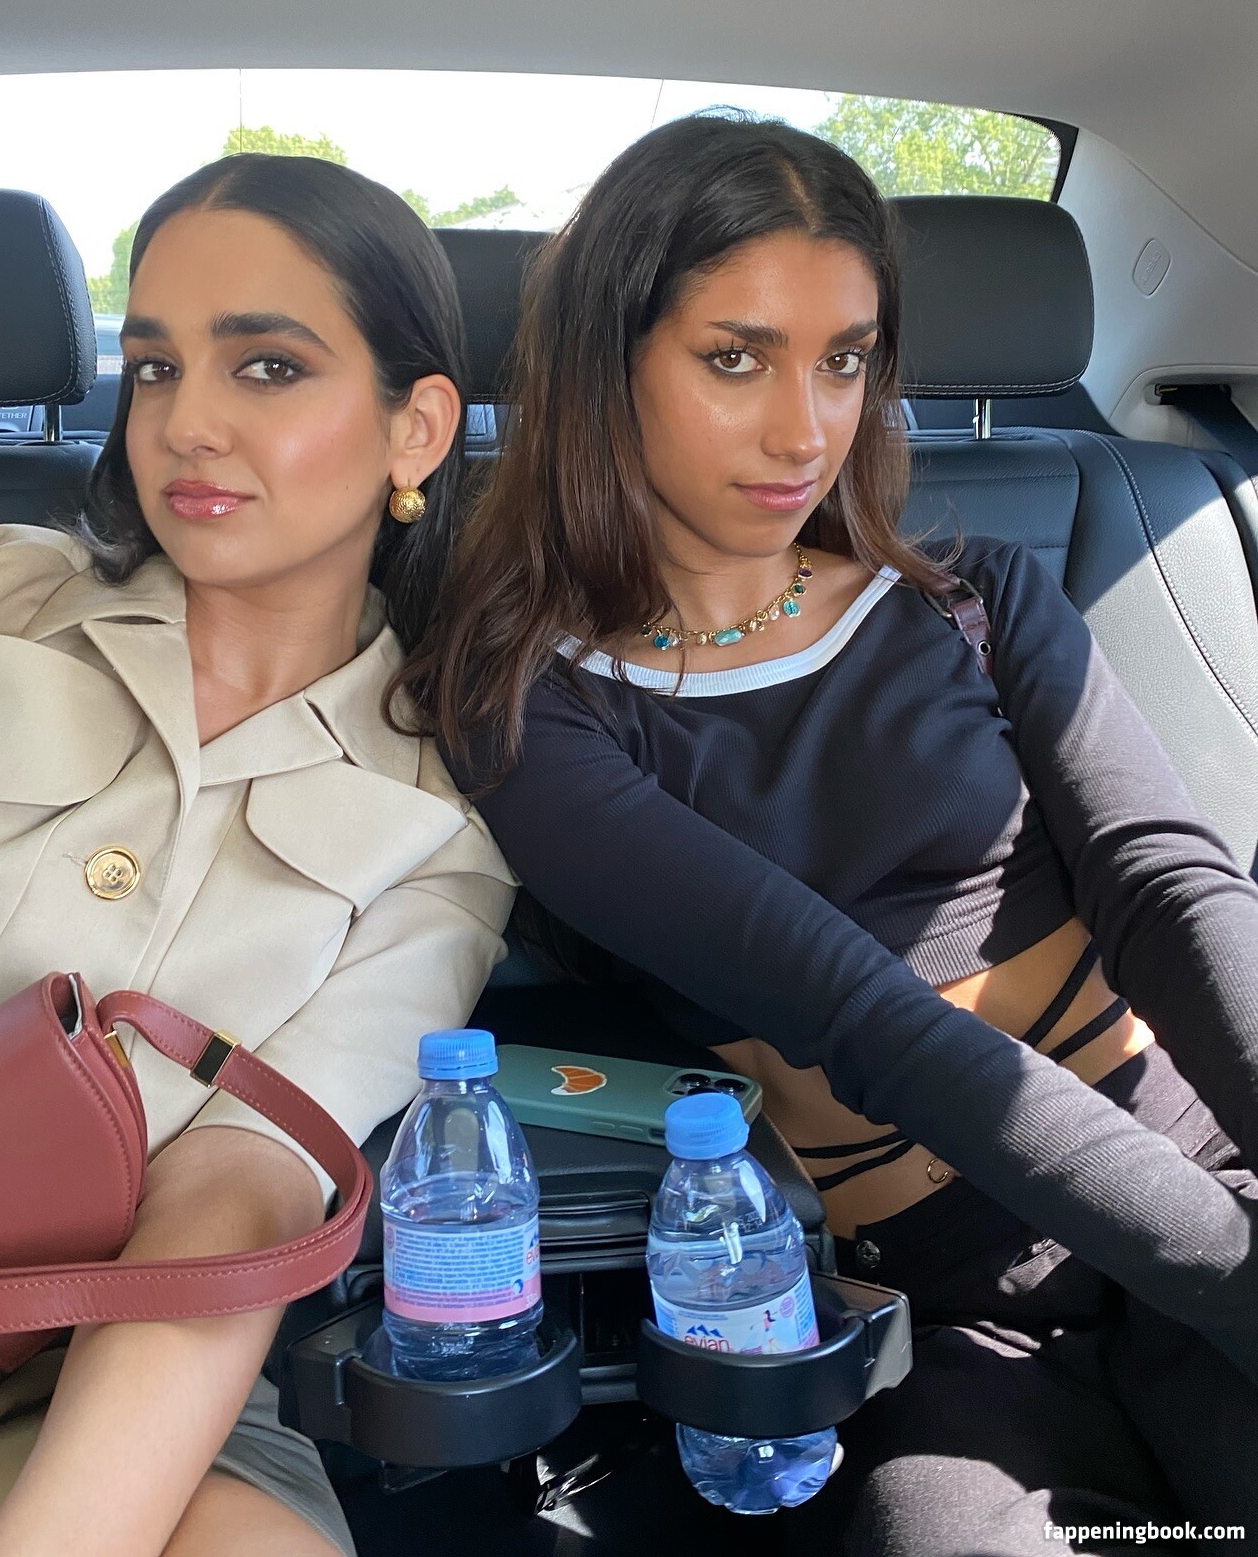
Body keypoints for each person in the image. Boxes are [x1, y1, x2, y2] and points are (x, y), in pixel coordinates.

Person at [401, 112, 1258, 1551]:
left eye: (845, 360)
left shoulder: (973, 599)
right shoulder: (534, 711)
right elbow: (865, 1018)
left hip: (1194, 1164)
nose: (806, 429)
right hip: (941, 1300)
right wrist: (1238, 1284)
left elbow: (1169, 888)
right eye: (736, 358)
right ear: (608, 365)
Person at [0, 153, 515, 1557]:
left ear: (416, 429)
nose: (185, 422)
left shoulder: (442, 831)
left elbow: (239, 1191)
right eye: (153, 368)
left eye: (268, 367)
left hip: (89, 1360)